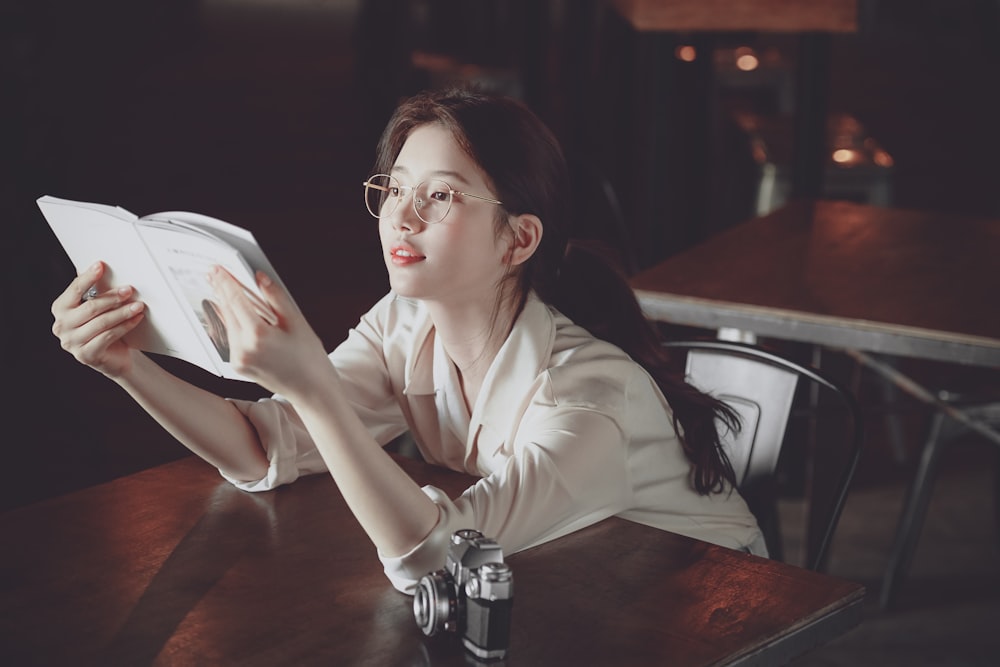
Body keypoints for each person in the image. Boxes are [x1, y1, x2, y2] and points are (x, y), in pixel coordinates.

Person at [51, 87, 766, 594]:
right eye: (395, 188)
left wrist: (310, 386)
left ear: (518, 238)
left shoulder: (587, 398)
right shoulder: (404, 321)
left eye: (443, 195)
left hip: (706, 607)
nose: (403, 215)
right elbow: (264, 447)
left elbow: (436, 558)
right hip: (567, 583)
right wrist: (126, 365)